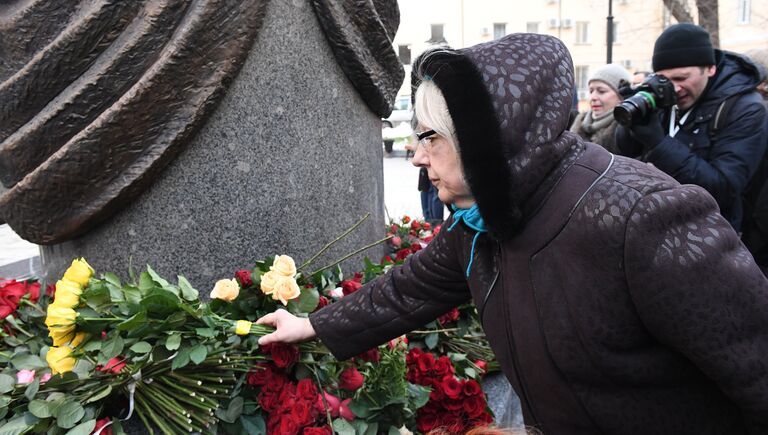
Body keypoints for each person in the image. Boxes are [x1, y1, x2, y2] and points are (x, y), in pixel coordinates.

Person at [257, 33, 768, 434]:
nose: (416, 156)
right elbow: (411, 287)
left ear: (486, 136)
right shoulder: (486, 218)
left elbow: (756, 367)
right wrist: (313, 327)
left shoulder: (643, 216)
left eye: (430, 138)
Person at [615, 23, 768, 234]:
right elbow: (624, 154)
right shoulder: (664, 94)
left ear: (710, 68)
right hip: (653, 226)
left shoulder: (745, 108)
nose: (675, 89)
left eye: (681, 78)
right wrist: (631, 123)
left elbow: (724, 189)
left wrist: (659, 144)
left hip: (708, 237)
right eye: (665, 80)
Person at [569, 64, 632, 153]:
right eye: (591, 91)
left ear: (622, 96)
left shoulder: (627, 132)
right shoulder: (578, 123)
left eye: (601, 91)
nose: (593, 97)